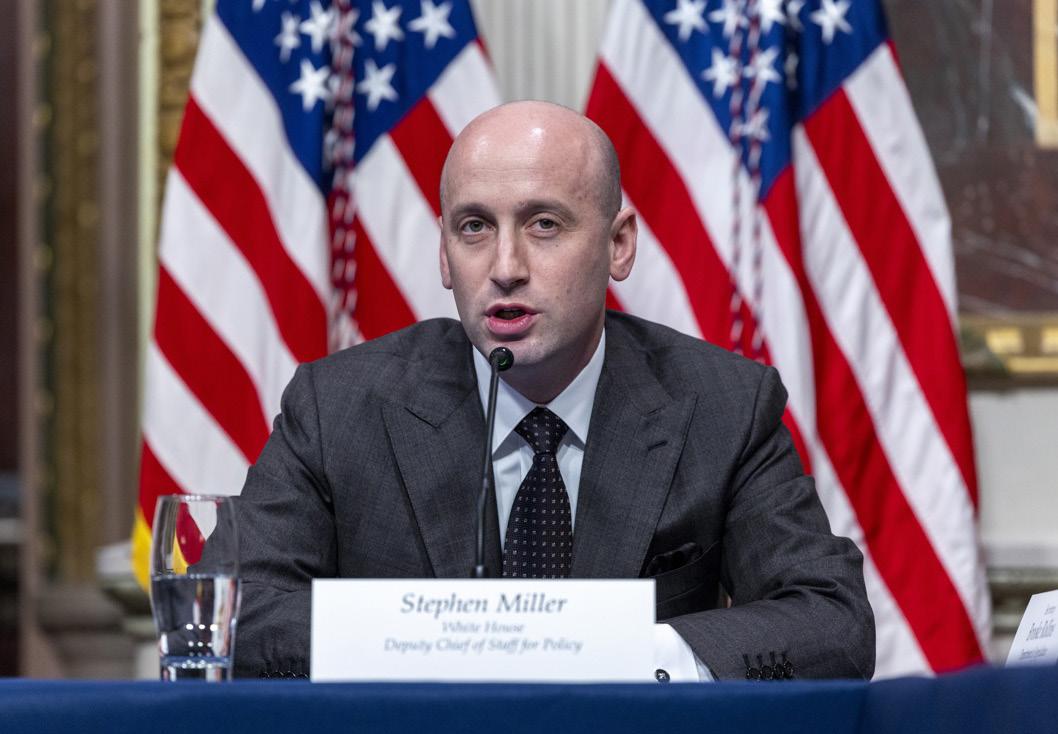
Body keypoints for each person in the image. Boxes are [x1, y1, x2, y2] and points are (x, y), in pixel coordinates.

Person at [232, 101, 875, 680]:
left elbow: (832, 622)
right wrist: (430, 648)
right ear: (444, 253)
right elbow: (236, 613)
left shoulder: (724, 407)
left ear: (618, 245)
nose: (505, 268)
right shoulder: (335, 408)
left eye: (543, 224)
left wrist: (626, 656)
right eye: (474, 227)